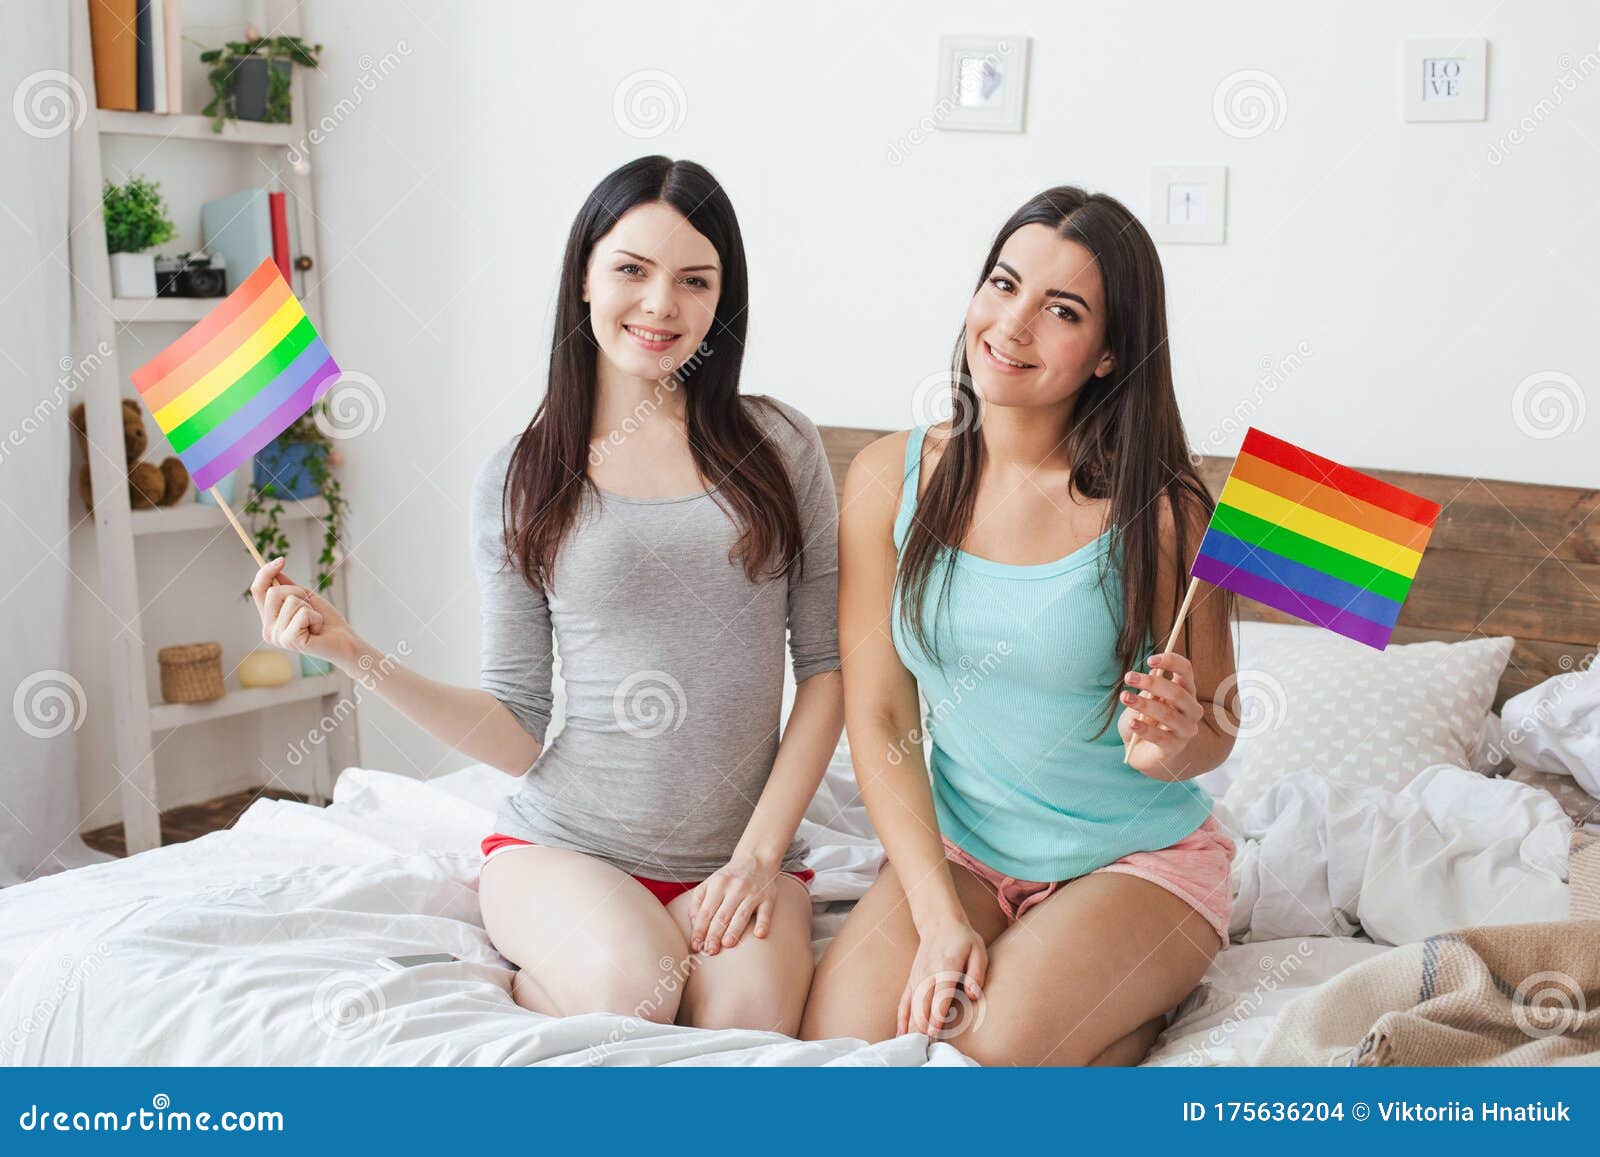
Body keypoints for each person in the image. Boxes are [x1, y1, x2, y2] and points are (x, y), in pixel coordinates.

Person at [250, 156, 842, 1036]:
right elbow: (517, 727)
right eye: (631, 270)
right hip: (567, 845)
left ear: (723, 301)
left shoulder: (780, 447)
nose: (660, 305)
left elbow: (826, 670)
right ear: (584, 279)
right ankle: (532, 982)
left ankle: (600, 962)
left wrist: (757, 860)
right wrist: (352, 652)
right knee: (633, 991)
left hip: (740, 854)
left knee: (746, 1027)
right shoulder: (523, 477)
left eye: (694, 280)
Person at [800, 186, 1238, 1065]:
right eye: (1003, 284)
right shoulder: (889, 477)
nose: (1013, 324)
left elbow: (1218, 724)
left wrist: (1177, 740)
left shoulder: (1164, 509)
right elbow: (882, 719)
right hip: (964, 850)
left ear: (1110, 352)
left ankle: (1129, 1007)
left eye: (1062, 309)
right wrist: (934, 917)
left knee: (980, 1052)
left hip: (1135, 861)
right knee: (837, 1048)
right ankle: (1101, 1028)